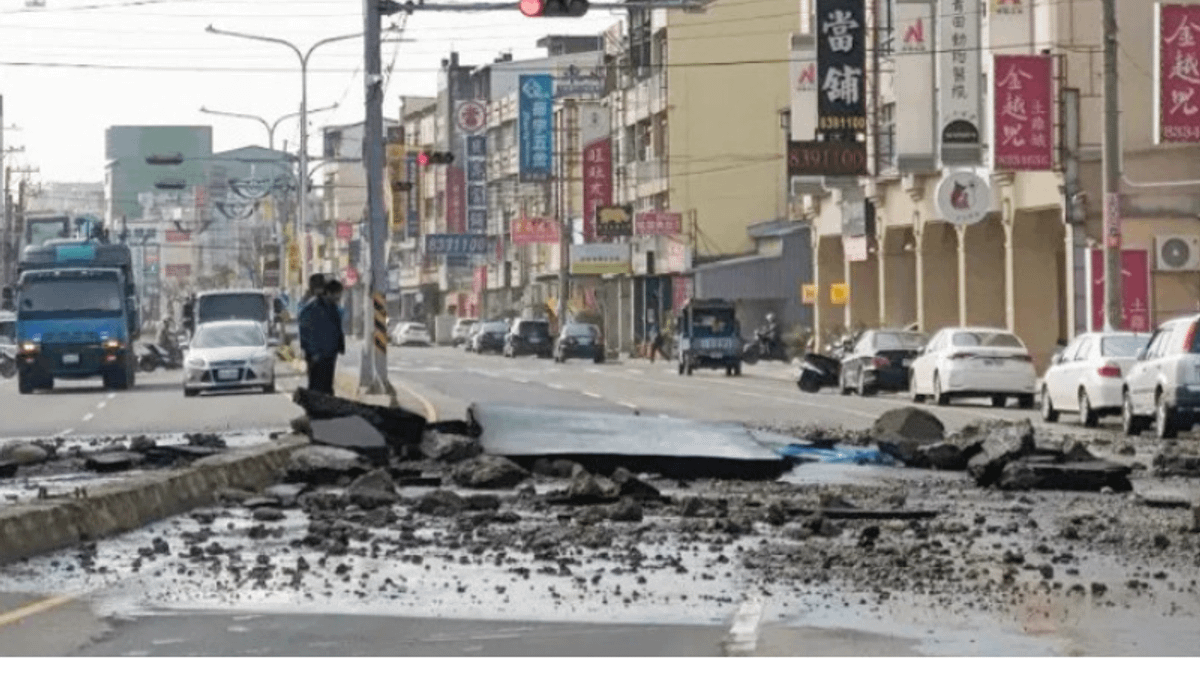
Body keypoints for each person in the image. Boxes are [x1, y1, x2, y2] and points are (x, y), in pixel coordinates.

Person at [300, 278, 345, 395]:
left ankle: (327, 409)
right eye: (337, 295)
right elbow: (305, 331)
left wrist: (339, 346)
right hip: (316, 355)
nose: (339, 298)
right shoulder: (313, 307)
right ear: (329, 293)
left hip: (330, 354)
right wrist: (312, 352)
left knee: (327, 387)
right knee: (316, 387)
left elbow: (337, 328)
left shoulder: (334, 308)